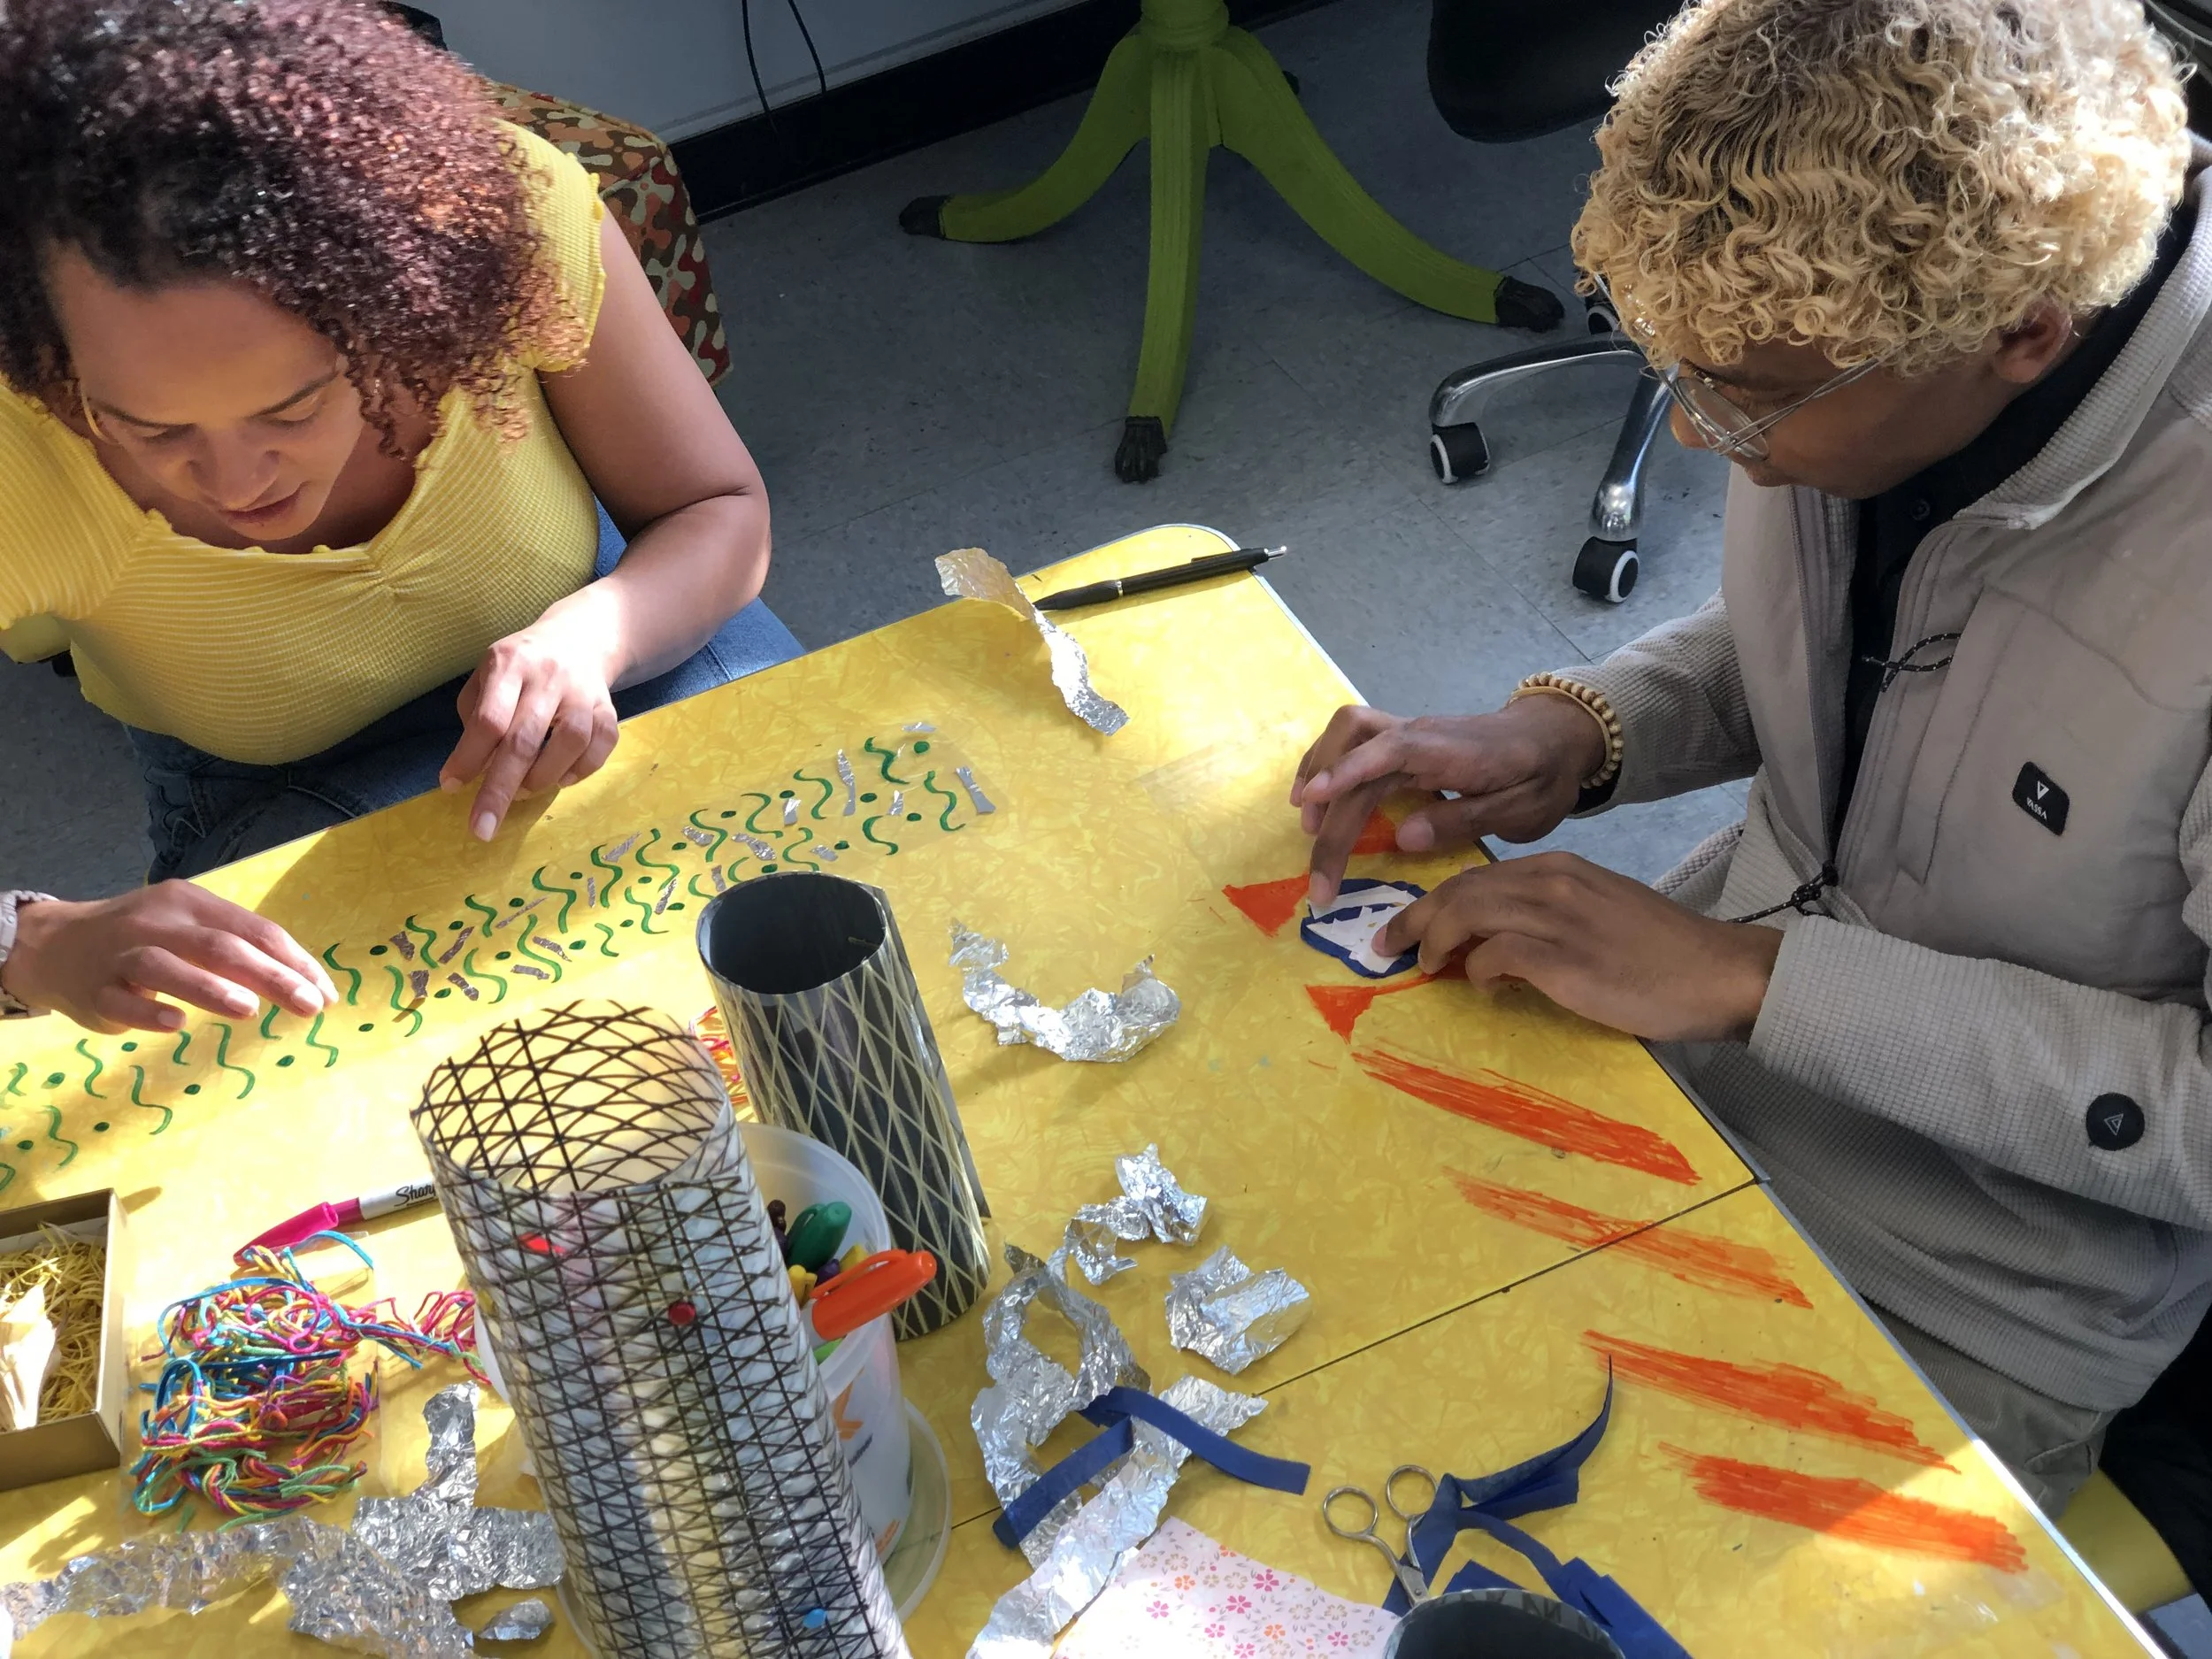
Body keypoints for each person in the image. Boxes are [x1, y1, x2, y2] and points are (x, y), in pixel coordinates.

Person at [1296, 0, 2205, 1514]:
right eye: (1676, 372)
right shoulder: (1878, 371)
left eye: (1746, 397)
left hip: (1966, 1284)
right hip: (1690, 1056)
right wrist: (1580, 729)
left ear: (2021, 337)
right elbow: (1877, 632)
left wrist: (1756, 982)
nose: (1697, 438)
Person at [0, 0, 793, 1036]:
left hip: (631, 643)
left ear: (403, 300)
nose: (233, 480)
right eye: (146, 428)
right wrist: (31, 941)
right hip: (293, 783)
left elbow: (716, 507)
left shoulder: (497, 219)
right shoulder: (17, 452)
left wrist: (596, 635)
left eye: (295, 406)